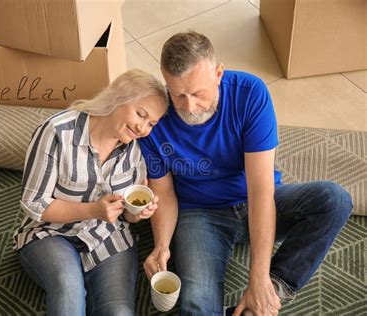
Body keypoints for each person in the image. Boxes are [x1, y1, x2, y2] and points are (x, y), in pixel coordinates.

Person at [139, 31, 353, 316]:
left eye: (198, 93)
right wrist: (161, 245)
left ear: (218, 74)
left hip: (254, 199)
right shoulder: (154, 116)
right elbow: (163, 193)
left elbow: (260, 190)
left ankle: (270, 292)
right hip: (199, 214)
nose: (189, 107)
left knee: (334, 199)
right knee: (196, 305)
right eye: (178, 95)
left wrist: (259, 278)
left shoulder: (250, 93)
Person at [13, 69, 168, 316]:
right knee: (67, 287)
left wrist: (137, 214)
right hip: (49, 233)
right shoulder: (56, 131)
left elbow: (126, 215)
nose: (143, 128)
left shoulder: (136, 152)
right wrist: (92, 210)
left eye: (151, 123)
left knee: (119, 312)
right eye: (140, 114)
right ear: (118, 97)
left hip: (108, 236)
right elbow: (34, 203)